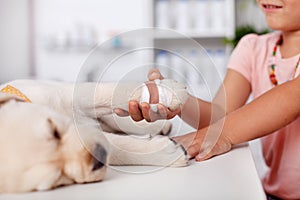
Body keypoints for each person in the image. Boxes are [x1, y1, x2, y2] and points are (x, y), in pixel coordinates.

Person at [115, 0, 300, 199]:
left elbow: (292, 96)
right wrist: (178, 99)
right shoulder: (253, 48)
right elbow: (219, 117)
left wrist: (221, 135)